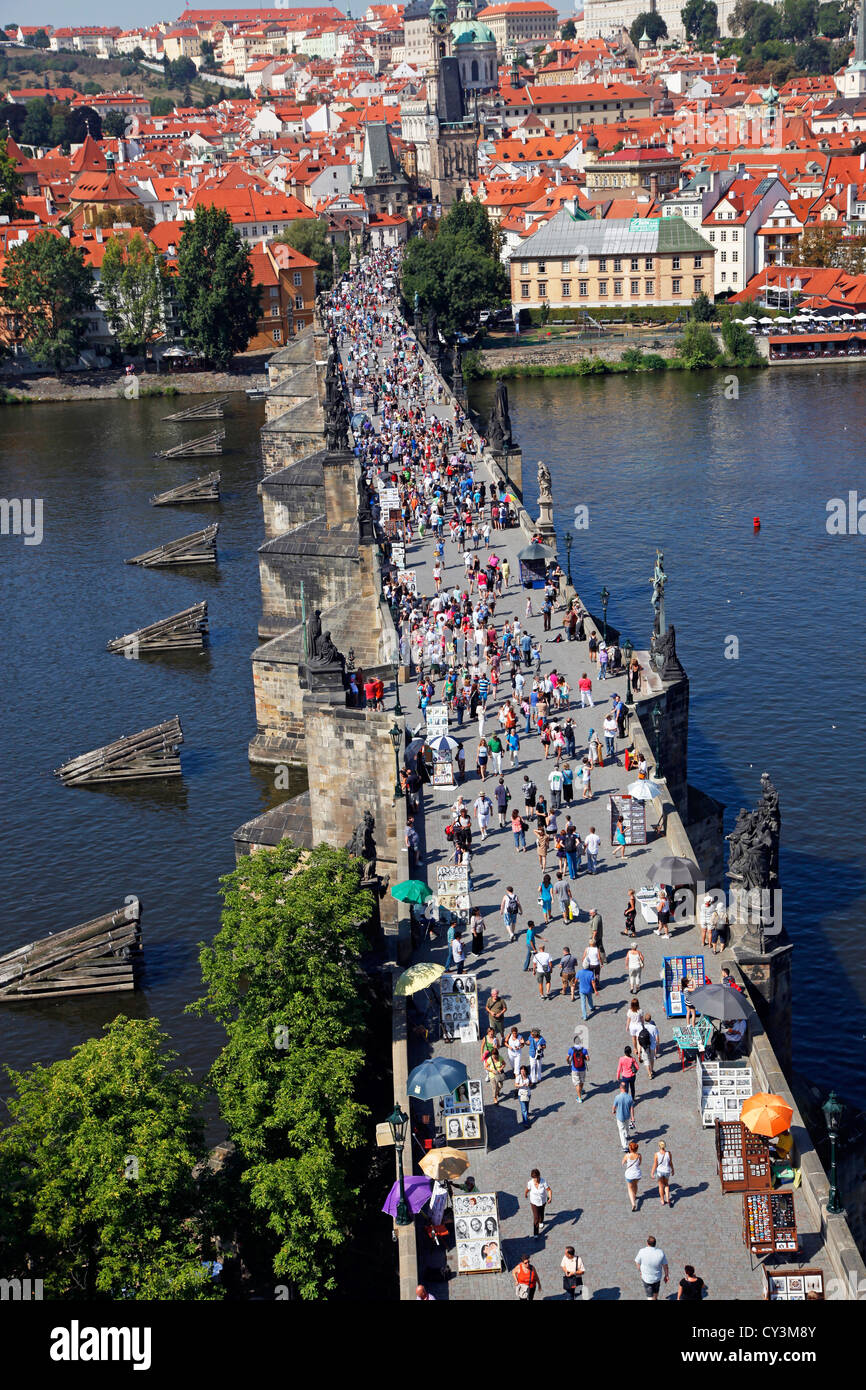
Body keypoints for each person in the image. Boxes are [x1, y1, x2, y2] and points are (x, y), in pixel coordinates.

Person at [525, 1170, 552, 1237]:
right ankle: (536, 1233)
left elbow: (549, 1190)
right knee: (536, 1217)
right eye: (533, 1178)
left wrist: (550, 1197)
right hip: (534, 1202)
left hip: (542, 1201)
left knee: (541, 1213)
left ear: (539, 1176)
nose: (535, 1179)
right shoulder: (530, 1183)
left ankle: (541, 1221)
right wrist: (525, 1193)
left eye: (536, 1177)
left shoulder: (543, 1181)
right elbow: (528, 1189)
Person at [612, 1080, 635, 1150]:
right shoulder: (629, 1097)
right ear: (626, 1088)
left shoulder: (617, 1097)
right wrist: (632, 1117)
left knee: (621, 1130)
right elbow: (631, 1108)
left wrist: (613, 1111)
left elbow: (614, 1107)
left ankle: (625, 1146)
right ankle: (627, 1135)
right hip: (627, 1115)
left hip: (620, 1116)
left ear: (620, 1088)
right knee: (627, 1126)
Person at [652, 1140, 675, 1207]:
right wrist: (673, 1170)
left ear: (659, 1146)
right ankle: (668, 1199)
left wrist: (652, 1172)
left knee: (661, 1186)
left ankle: (662, 1200)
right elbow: (670, 1162)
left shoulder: (656, 1154)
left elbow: (655, 1164)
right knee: (666, 1185)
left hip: (659, 1171)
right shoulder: (669, 1153)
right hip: (667, 1171)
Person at [623, 1141, 643, 1212]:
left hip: (629, 1174)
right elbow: (639, 1163)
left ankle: (633, 1203)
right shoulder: (639, 1155)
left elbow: (623, 1163)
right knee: (635, 1185)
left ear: (630, 1149)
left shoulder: (627, 1155)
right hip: (637, 1174)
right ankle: (634, 1196)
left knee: (630, 1188)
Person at [640, 1012, 660, 1078]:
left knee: (646, 1059)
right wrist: (657, 1045)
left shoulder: (643, 1027)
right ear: (650, 1019)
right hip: (652, 1045)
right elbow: (657, 1038)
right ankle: (651, 1070)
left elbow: (639, 1037)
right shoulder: (654, 1027)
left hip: (645, 1045)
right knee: (652, 1058)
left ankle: (649, 1074)